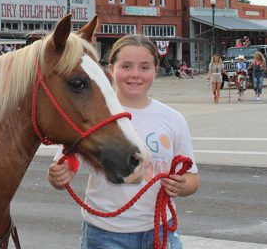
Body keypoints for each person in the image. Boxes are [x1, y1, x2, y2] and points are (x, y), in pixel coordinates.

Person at [47, 34, 200, 249]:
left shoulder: (173, 119)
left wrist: (182, 185)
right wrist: (58, 175)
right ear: (111, 69)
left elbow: (192, 178)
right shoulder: (94, 114)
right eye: (126, 66)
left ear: (155, 69)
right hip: (106, 234)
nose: (135, 74)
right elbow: (67, 165)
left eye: (144, 67)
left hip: (161, 230)